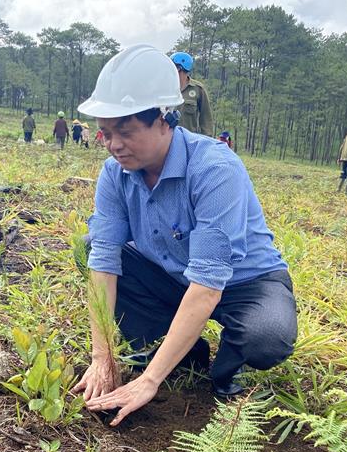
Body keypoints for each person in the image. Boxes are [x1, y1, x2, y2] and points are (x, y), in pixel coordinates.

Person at [71, 44, 297, 427]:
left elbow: (209, 283)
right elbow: (105, 261)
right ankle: (184, 348)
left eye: (124, 131)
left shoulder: (214, 169)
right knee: (92, 249)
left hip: (244, 282)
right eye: (105, 133)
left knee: (268, 335)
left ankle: (225, 369)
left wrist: (149, 381)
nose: (113, 145)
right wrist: (102, 355)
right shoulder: (115, 174)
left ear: (165, 119)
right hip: (173, 276)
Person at [170, 52, 214, 137]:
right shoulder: (166, 88)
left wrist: (206, 142)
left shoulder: (198, 89)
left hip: (189, 142)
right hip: (167, 141)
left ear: (179, 68)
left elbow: (206, 119)